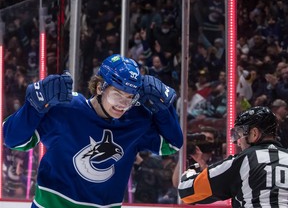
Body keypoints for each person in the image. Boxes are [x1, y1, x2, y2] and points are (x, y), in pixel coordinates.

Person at [3, 54, 183, 208]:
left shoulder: (134, 121)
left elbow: (173, 144)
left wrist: (163, 110)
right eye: (117, 94)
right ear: (99, 87)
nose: (123, 104)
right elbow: (12, 139)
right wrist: (33, 107)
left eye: (129, 97)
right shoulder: (67, 110)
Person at [178, 106, 288, 207]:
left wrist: (191, 170)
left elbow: (186, 191)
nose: (238, 142)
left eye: (239, 134)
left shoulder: (242, 161)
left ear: (254, 134)